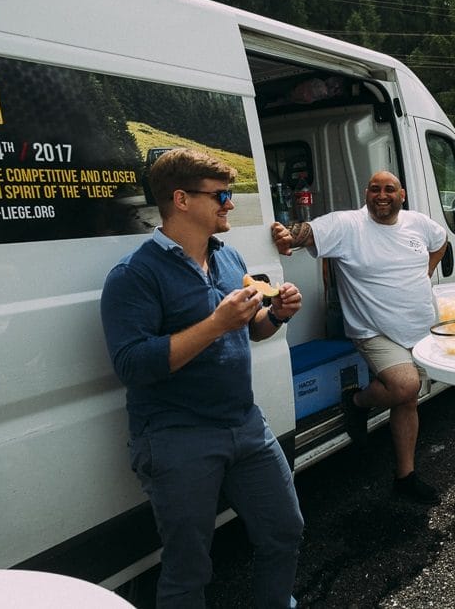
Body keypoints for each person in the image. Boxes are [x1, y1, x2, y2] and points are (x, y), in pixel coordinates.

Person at [100, 148, 304, 608]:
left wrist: (277, 314)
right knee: (188, 569)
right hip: (176, 436)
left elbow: (251, 331)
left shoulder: (229, 258)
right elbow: (132, 365)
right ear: (182, 200)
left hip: (244, 425)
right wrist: (215, 323)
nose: (230, 204)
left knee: (284, 532)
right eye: (221, 195)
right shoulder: (134, 275)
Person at [270, 171, 448, 505]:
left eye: (390, 190)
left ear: (402, 195)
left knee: (408, 399)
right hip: (373, 330)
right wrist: (285, 234)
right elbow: (305, 232)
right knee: (405, 386)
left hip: (419, 328)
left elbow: (440, 243)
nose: (382, 195)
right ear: (366, 193)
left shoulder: (418, 224)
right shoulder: (347, 225)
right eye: (375, 189)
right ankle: (356, 402)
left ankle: (405, 477)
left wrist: (425, 271)